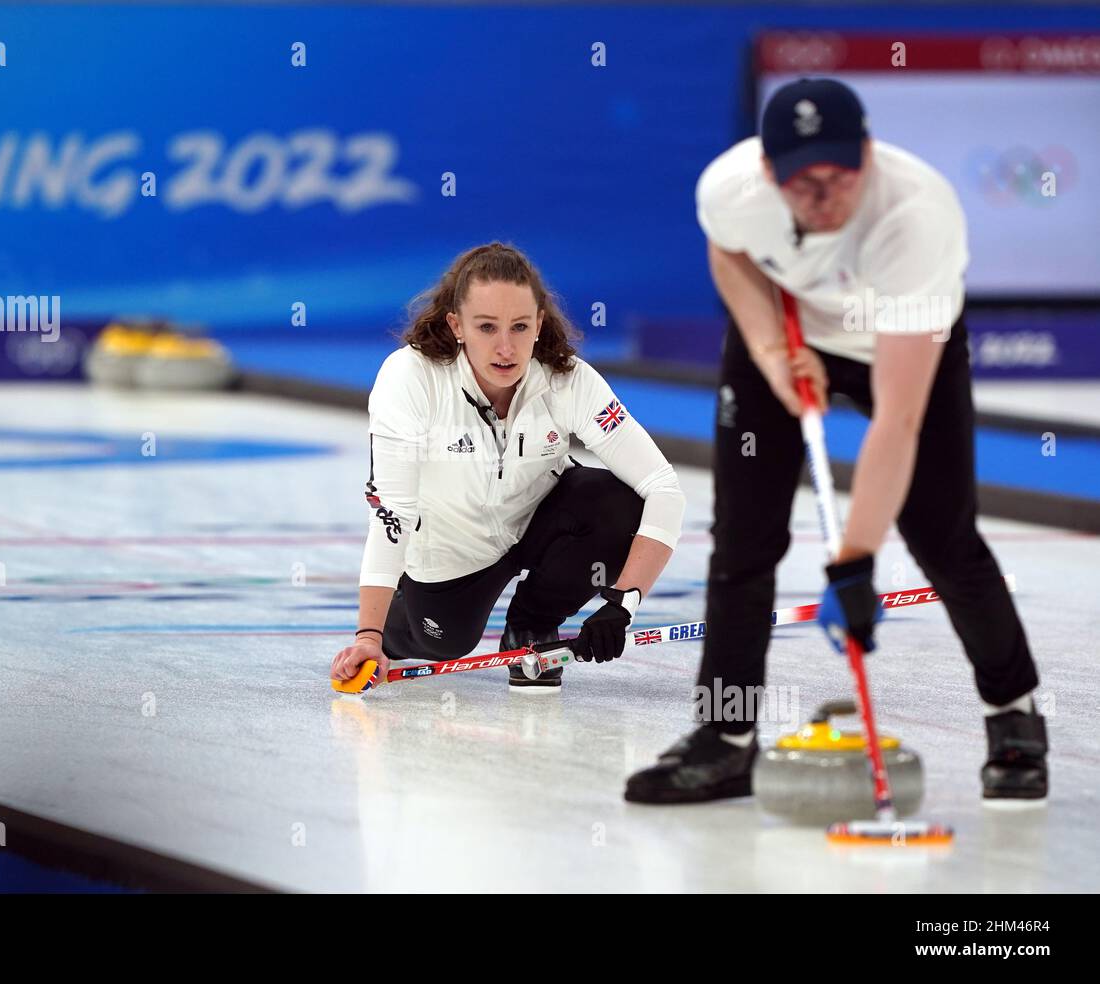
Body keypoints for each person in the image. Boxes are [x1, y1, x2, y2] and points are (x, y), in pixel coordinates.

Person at [625, 78, 1046, 803]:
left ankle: (1013, 718)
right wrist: (768, 353)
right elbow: (731, 256)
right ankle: (724, 739)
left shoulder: (917, 217)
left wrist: (852, 562)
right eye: (802, 183)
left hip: (907, 346)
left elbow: (899, 421)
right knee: (743, 542)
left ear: (868, 155)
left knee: (943, 538)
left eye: (839, 178)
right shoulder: (731, 190)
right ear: (768, 173)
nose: (824, 200)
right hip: (786, 338)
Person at [330, 242, 685, 691]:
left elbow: (663, 487)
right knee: (443, 639)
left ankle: (532, 625)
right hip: (451, 549)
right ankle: (406, 615)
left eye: (519, 327)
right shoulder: (409, 379)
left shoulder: (568, 379)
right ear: (456, 325)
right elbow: (391, 514)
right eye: (486, 327)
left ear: (539, 323)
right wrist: (368, 636)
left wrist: (623, 602)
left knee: (615, 503)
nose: (505, 347)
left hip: (540, 519)